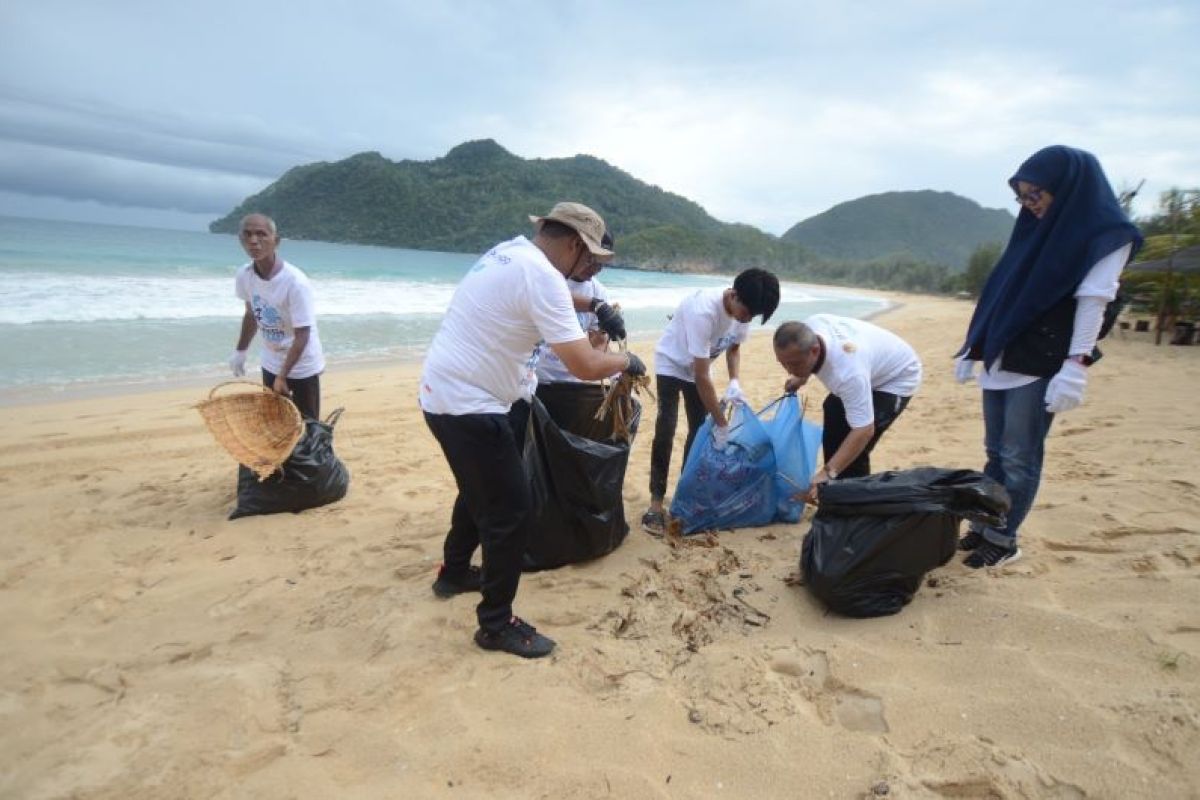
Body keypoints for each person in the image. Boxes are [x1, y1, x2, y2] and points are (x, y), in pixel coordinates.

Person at [419, 202, 646, 659]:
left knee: (478, 490)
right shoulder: (540, 275)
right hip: (470, 405)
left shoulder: (510, 254)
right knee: (512, 512)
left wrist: (596, 303)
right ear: (572, 244)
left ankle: (454, 572)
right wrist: (627, 360)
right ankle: (496, 625)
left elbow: (558, 298)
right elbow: (583, 364)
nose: (588, 270)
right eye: (589, 260)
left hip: (452, 394)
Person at [954, 145, 1142, 568]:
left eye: (1035, 195)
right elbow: (1000, 291)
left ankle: (1004, 540)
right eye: (1021, 197)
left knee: (1021, 456)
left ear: (1066, 188)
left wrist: (1076, 366)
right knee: (996, 453)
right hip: (1004, 355)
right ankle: (984, 526)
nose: (1029, 205)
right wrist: (975, 346)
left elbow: (1094, 302)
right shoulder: (1034, 231)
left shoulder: (1106, 235)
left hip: (1042, 360)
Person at [640, 268, 780, 535]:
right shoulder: (703, 311)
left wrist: (734, 381)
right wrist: (722, 422)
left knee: (699, 431)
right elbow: (701, 375)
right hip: (672, 362)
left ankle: (683, 495)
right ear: (734, 294)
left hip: (701, 366)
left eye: (753, 316)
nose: (747, 319)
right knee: (666, 428)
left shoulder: (745, 309)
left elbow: (734, 347)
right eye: (747, 312)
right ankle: (656, 504)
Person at [773, 315, 922, 501]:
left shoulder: (846, 373)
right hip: (869, 363)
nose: (788, 370)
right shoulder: (809, 326)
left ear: (814, 350)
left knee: (855, 452)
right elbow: (803, 358)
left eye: (794, 364)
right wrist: (801, 376)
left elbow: (864, 430)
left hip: (896, 377)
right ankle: (833, 492)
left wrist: (827, 473)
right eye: (783, 363)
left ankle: (855, 507)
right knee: (833, 413)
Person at [229, 213, 325, 421]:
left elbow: (302, 334)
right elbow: (251, 314)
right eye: (248, 235)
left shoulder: (295, 282)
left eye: (261, 234)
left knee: (307, 427)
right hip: (271, 361)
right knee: (277, 424)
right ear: (241, 240)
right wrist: (240, 351)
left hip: (301, 366)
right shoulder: (245, 275)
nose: (254, 241)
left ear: (276, 241)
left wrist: (283, 377)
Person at [531, 229, 625, 438]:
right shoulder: (552, 279)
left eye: (601, 264)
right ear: (578, 249)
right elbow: (553, 297)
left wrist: (604, 358)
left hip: (570, 387)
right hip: (536, 381)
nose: (594, 268)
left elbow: (598, 344)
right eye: (591, 260)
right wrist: (596, 306)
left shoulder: (599, 292)